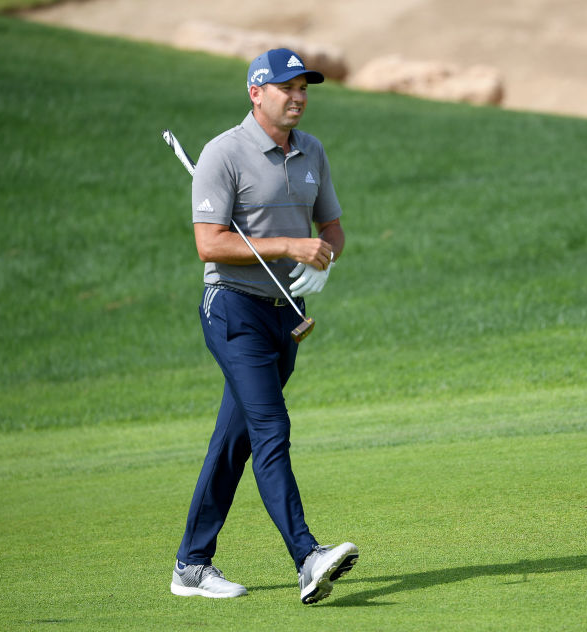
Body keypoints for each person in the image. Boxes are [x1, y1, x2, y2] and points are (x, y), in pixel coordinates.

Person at [169, 48, 357, 605]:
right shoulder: (222, 153)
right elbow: (210, 243)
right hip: (233, 310)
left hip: (285, 314)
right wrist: (287, 245)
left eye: (304, 87)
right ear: (257, 92)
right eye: (286, 87)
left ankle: (191, 565)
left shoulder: (311, 151)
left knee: (236, 440)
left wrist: (324, 258)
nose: (298, 96)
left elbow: (333, 228)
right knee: (272, 427)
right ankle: (307, 556)